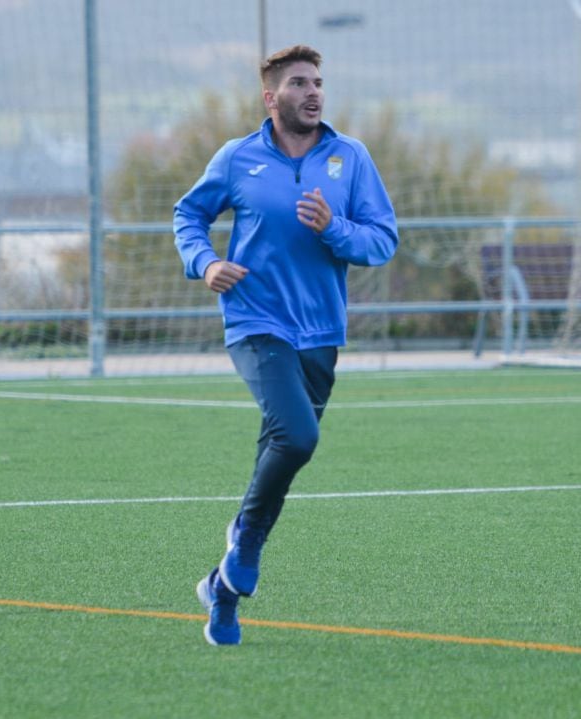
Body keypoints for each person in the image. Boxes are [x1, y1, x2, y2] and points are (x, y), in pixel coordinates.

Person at [174, 44, 398, 646]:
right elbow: (187, 216)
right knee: (298, 435)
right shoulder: (237, 158)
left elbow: (382, 241)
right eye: (299, 82)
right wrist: (205, 262)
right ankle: (244, 542)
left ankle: (223, 587)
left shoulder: (349, 158)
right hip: (255, 321)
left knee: (286, 450)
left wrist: (337, 229)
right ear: (272, 98)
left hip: (321, 331)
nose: (314, 91)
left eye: (319, 81)